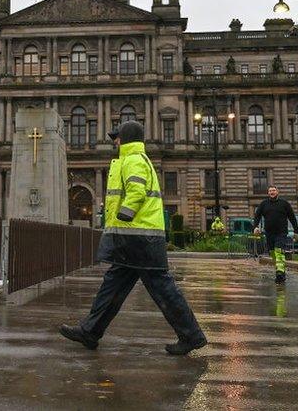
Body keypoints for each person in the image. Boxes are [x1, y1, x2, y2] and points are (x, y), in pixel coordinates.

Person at [59, 121, 207, 355]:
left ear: (125, 138)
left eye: (117, 138)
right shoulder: (131, 159)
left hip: (140, 237)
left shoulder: (133, 160)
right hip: (133, 238)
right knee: (114, 285)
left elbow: (136, 191)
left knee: (161, 288)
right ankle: (90, 331)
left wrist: (124, 213)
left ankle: (192, 335)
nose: (114, 142)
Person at [253, 186, 298, 283]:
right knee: (273, 252)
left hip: (281, 232)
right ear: (268, 193)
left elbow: (292, 217)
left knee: (279, 250)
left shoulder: (284, 204)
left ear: (277, 192)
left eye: (273, 190)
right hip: (269, 233)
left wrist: (296, 231)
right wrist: (255, 227)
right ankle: (279, 268)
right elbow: (257, 216)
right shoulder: (264, 204)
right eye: (270, 191)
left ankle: (280, 273)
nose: (272, 192)